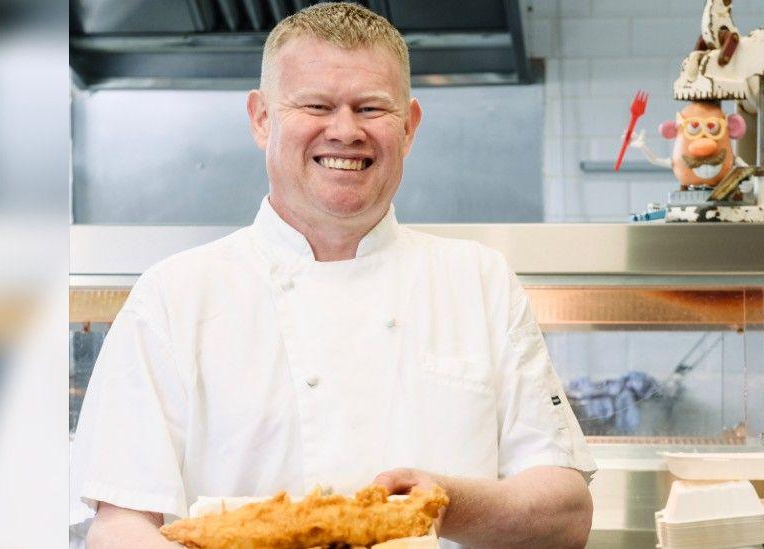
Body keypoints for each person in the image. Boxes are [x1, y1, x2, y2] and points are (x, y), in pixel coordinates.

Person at [71, 3, 596, 548]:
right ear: (261, 119)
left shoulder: (478, 281)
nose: (346, 131)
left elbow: (565, 516)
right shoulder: (175, 296)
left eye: (371, 108)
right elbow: (120, 525)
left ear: (409, 127)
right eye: (316, 105)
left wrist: (444, 502)